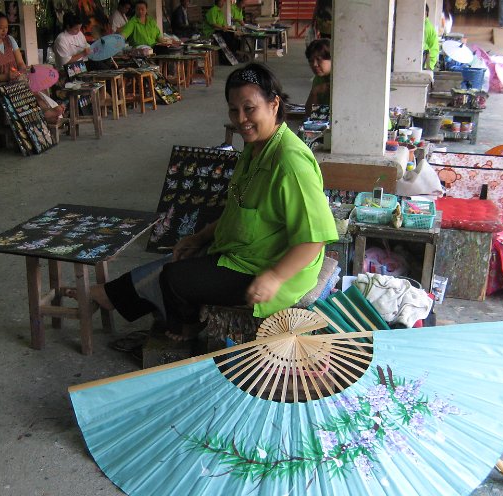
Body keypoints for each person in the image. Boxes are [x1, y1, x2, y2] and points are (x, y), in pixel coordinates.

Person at [86, 63, 338, 340]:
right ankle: (112, 295)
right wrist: (201, 237)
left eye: (249, 108)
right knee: (177, 257)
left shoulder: (289, 161)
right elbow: (240, 212)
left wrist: (275, 277)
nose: (241, 119)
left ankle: (186, 330)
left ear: (274, 104)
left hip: (274, 268)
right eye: (234, 109)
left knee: (174, 278)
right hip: (247, 252)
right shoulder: (256, 149)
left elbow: (315, 240)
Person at [0, 12, 64, 123]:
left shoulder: (10, 40)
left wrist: (25, 71)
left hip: (15, 81)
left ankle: (47, 113)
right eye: (1, 28)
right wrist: (6, 76)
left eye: (6, 27)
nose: (4, 31)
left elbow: (20, 63)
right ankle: (47, 115)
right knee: (21, 94)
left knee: (34, 90)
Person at [304, 39, 331, 115]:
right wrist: (314, 93)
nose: (315, 64)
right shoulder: (318, 79)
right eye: (311, 61)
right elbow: (310, 113)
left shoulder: (340, 80)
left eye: (319, 60)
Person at [422, 5, 439, 70]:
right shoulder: (426, 25)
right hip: (428, 62)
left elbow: (421, 46)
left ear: (425, 13)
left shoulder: (425, 28)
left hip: (426, 63)